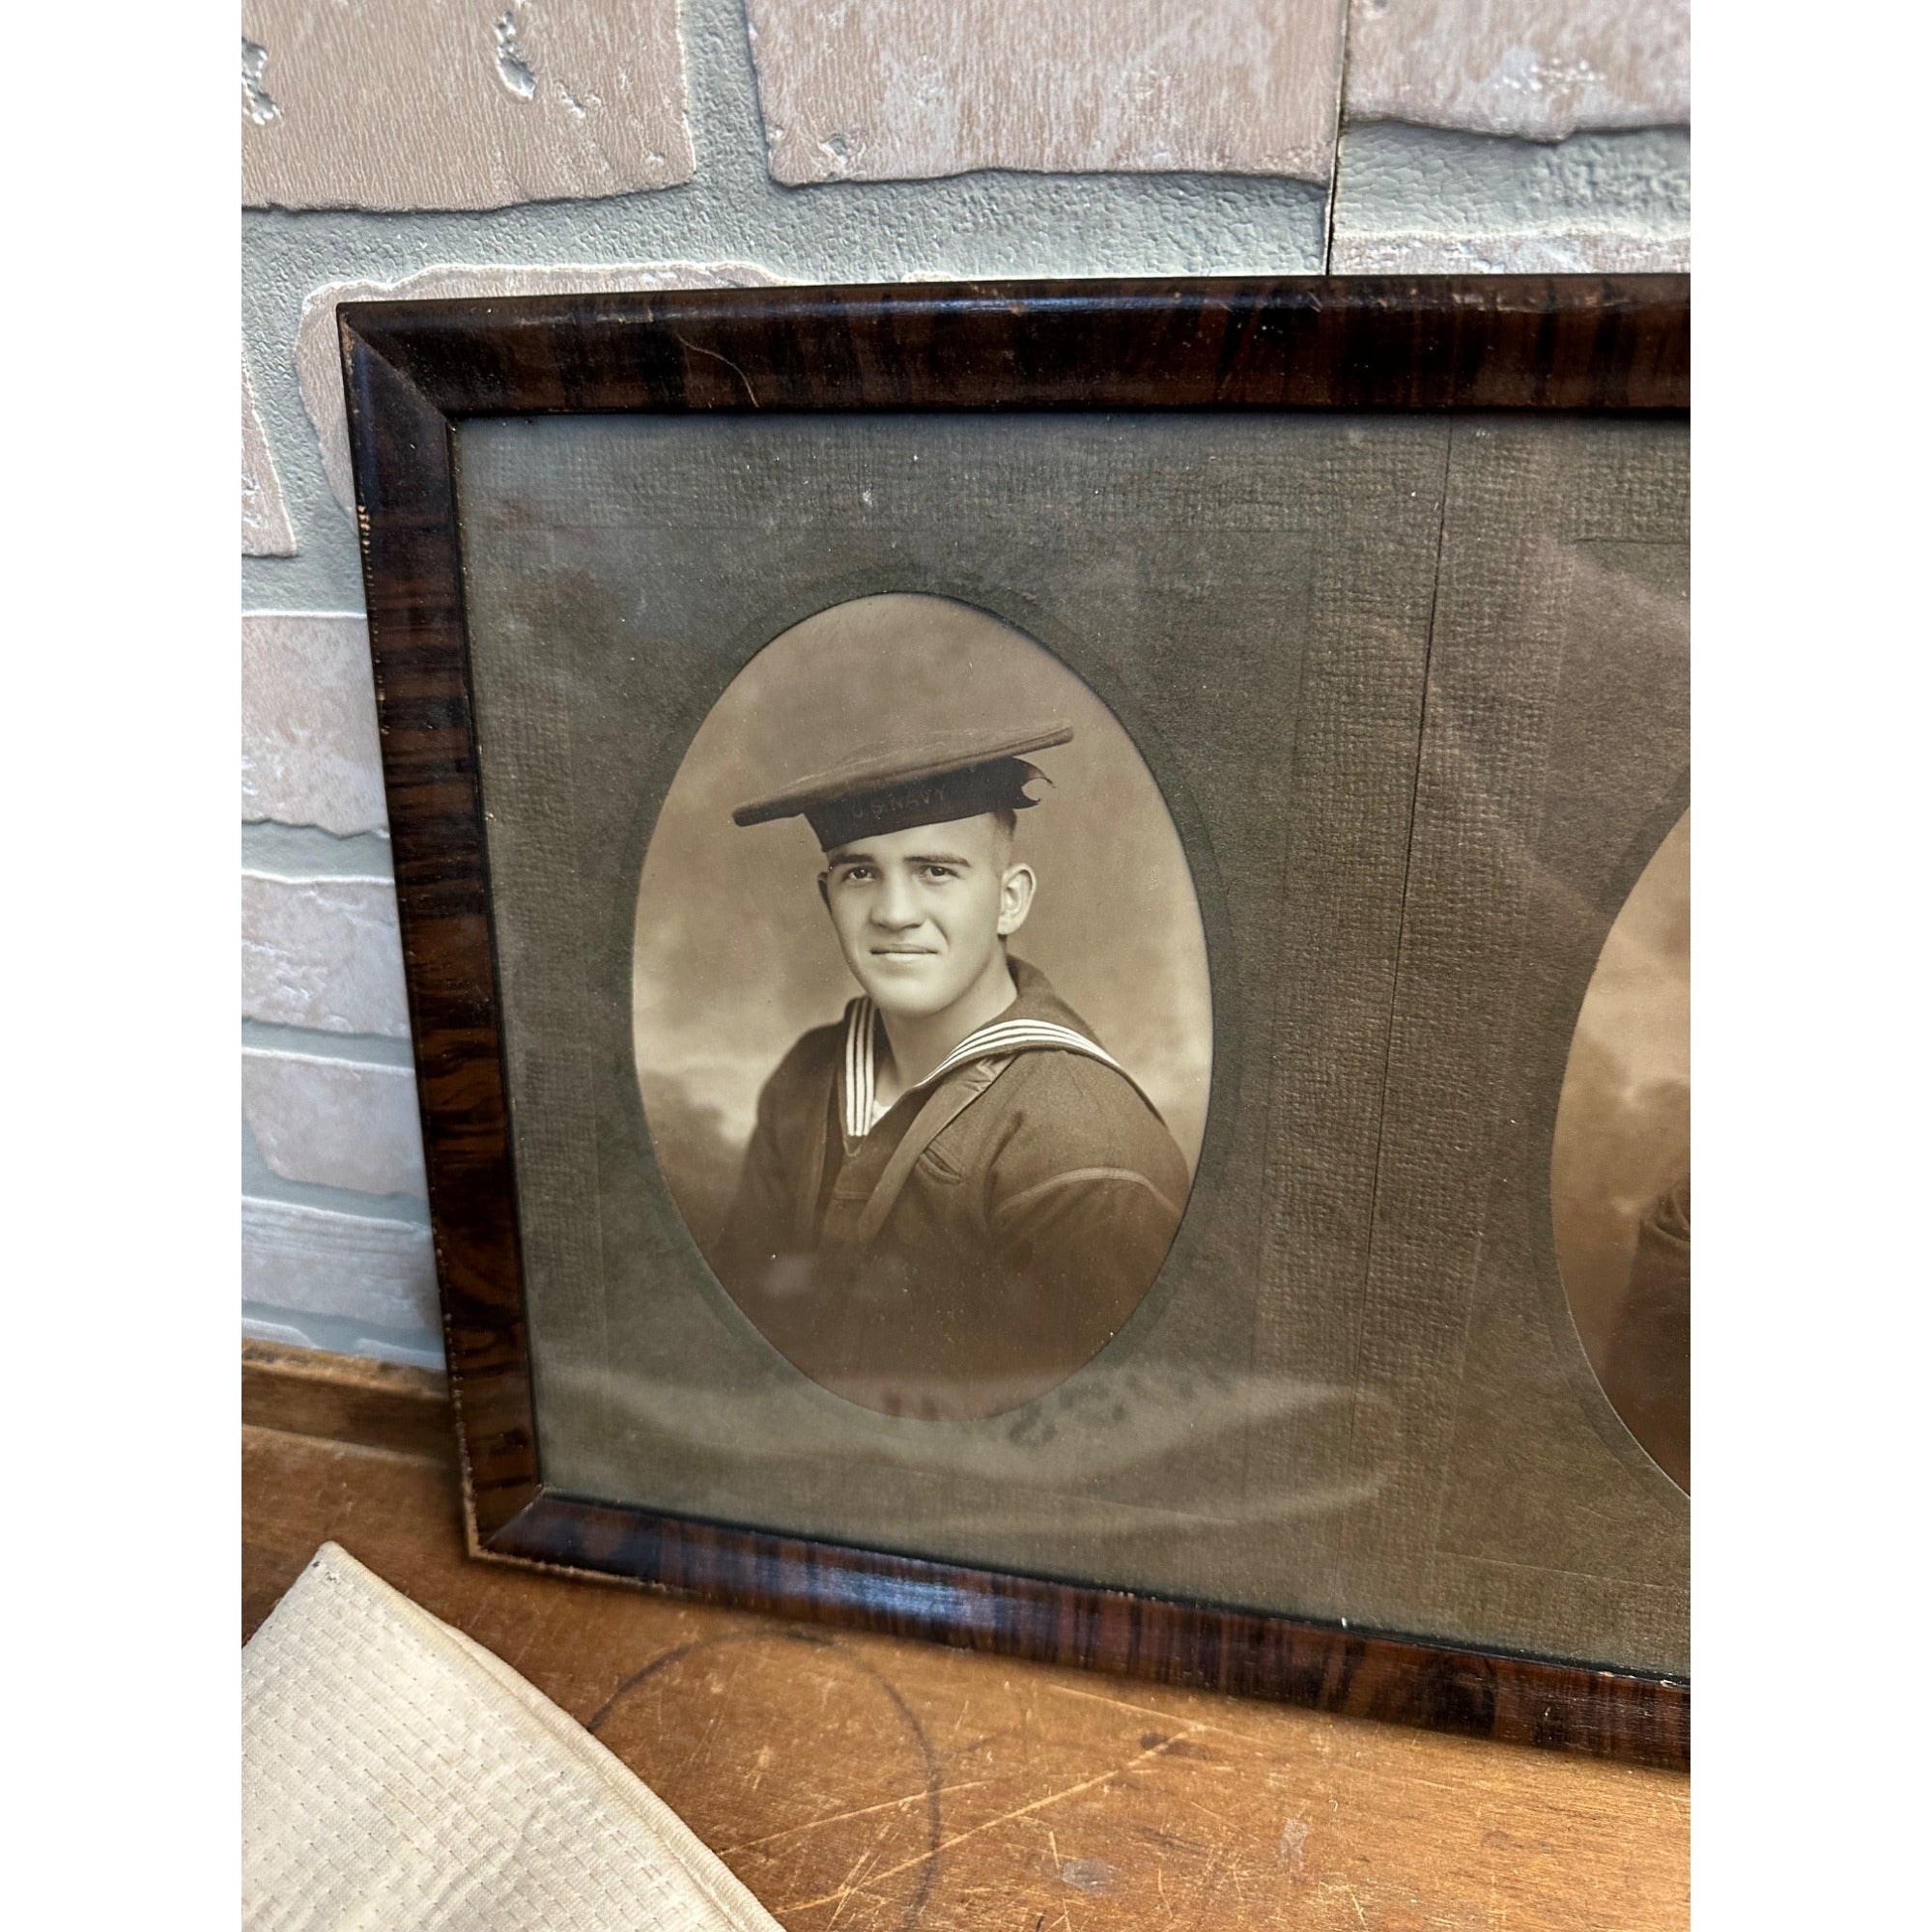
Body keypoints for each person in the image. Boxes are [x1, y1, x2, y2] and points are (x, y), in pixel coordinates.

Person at [713, 723, 1191, 1421]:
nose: (894, 913)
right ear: (827, 898)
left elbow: (1110, 1437)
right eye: (860, 872)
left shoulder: (1081, 1146)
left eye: (936, 871)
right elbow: (740, 1348)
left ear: (1010, 899)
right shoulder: (805, 1077)